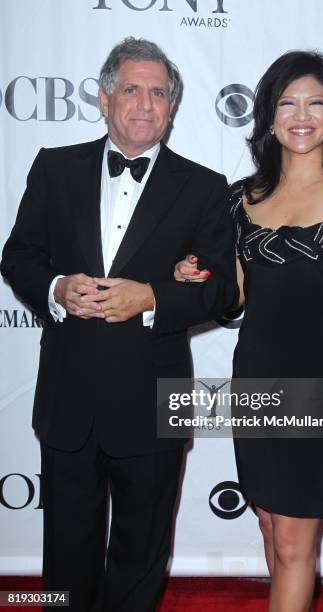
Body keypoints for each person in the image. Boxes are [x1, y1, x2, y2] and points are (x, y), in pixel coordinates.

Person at [1, 37, 237, 611]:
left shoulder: (205, 187)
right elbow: (18, 255)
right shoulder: (54, 168)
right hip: (68, 400)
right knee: (63, 556)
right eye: (131, 89)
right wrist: (56, 289)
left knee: (140, 555)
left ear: (173, 108)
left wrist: (151, 296)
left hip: (153, 402)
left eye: (159, 93)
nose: (144, 104)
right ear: (105, 99)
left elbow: (223, 293)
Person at [174, 51, 323, 612]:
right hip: (256, 383)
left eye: (315, 102)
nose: (302, 115)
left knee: (296, 544)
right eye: (287, 102)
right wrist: (193, 275)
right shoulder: (242, 200)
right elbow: (239, 296)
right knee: (272, 526)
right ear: (268, 117)